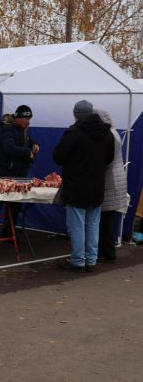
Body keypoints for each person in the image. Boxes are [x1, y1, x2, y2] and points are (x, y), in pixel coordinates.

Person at [53, 100, 114, 272]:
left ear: (76, 115)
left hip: (77, 186)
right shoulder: (106, 133)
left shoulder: (73, 133)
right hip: (97, 185)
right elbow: (109, 158)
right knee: (93, 224)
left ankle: (78, 260)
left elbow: (58, 157)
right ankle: (91, 259)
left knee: (77, 225)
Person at [0, 105, 40, 235]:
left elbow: (27, 141)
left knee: (15, 206)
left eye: (29, 118)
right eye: (26, 118)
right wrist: (27, 152)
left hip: (20, 174)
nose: (28, 121)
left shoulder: (23, 129)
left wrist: (34, 145)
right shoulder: (7, 130)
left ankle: (9, 233)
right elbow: (9, 148)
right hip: (6, 174)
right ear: (18, 117)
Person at [96, 109, 127, 262]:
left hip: (111, 180)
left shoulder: (110, 136)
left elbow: (106, 160)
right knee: (107, 219)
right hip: (116, 179)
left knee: (105, 220)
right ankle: (107, 251)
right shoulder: (114, 133)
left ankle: (107, 252)